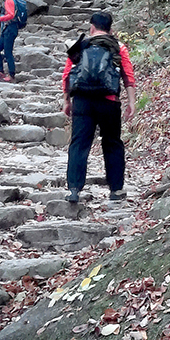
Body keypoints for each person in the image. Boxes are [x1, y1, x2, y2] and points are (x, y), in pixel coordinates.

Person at [62, 11, 136, 204]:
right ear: (111, 29)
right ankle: (116, 189)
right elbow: (128, 76)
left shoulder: (80, 46)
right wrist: (131, 103)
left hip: (83, 100)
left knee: (79, 143)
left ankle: (74, 189)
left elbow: (68, 75)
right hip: (109, 101)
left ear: (92, 27)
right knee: (112, 143)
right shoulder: (118, 47)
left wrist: (66, 101)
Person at [0, 0, 20, 81]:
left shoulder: (9, 0)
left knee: (8, 52)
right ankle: (0, 72)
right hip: (7, 29)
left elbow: (11, 15)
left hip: (10, 28)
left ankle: (11, 75)